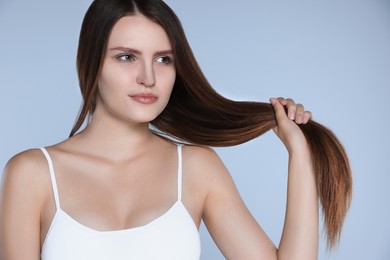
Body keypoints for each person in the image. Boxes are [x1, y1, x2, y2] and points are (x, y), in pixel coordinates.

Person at [0, 0, 352, 259]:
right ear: (91, 63)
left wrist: (299, 152)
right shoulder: (32, 173)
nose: (148, 77)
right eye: (126, 56)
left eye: (163, 59)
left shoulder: (197, 168)